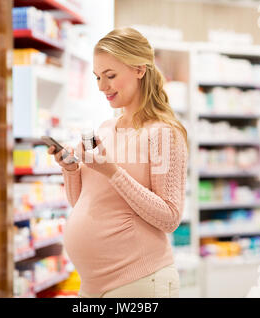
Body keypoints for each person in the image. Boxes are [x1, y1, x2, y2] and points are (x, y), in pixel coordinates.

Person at [47, 27, 189, 298]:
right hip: (91, 287)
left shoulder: (163, 133)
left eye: (110, 76)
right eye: (98, 77)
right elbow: (84, 202)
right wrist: (71, 169)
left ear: (139, 69)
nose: (102, 86)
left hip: (140, 282)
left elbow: (170, 218)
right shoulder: (104, 129)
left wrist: (112, 171)